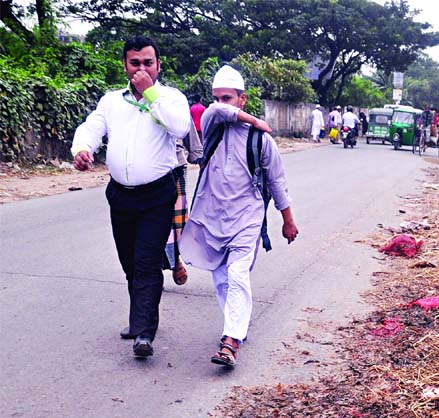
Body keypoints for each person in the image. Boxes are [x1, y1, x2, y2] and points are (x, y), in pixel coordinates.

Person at [71, 36, 191, 358]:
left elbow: (180, 127)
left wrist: (150, 92)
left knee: (147, 261)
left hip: (157, 194)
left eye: (147, 63)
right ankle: (139, 318)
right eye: (134, 62)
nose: (141, 68)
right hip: (120, 196)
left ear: (158, 65)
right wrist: (82, 149)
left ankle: (143, 332)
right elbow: (91, 128)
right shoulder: (111, 101)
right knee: (129, 262)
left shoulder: (170, 98)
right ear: (124, 65)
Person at [178, 65, 298, 368]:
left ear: (242, 98)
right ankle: (237, 326)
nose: (220, 103)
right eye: (216, 97)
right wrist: (254, 119)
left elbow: (277, 182)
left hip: (247, 218)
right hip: (212, 216)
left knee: (236, 274)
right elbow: (214, 113)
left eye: (228, 98)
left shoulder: (261, 142)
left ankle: (231, 340)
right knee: (220, 278)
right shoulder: (211, 127)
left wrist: (288, 220)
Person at [163, 126, 203, 286]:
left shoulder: (176, 102)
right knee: (150, 219)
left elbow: (187, 127)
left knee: (176, 222)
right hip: (145, 167)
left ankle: (175, 260)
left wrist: (199, 157)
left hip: (175, 166)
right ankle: (153, 269)